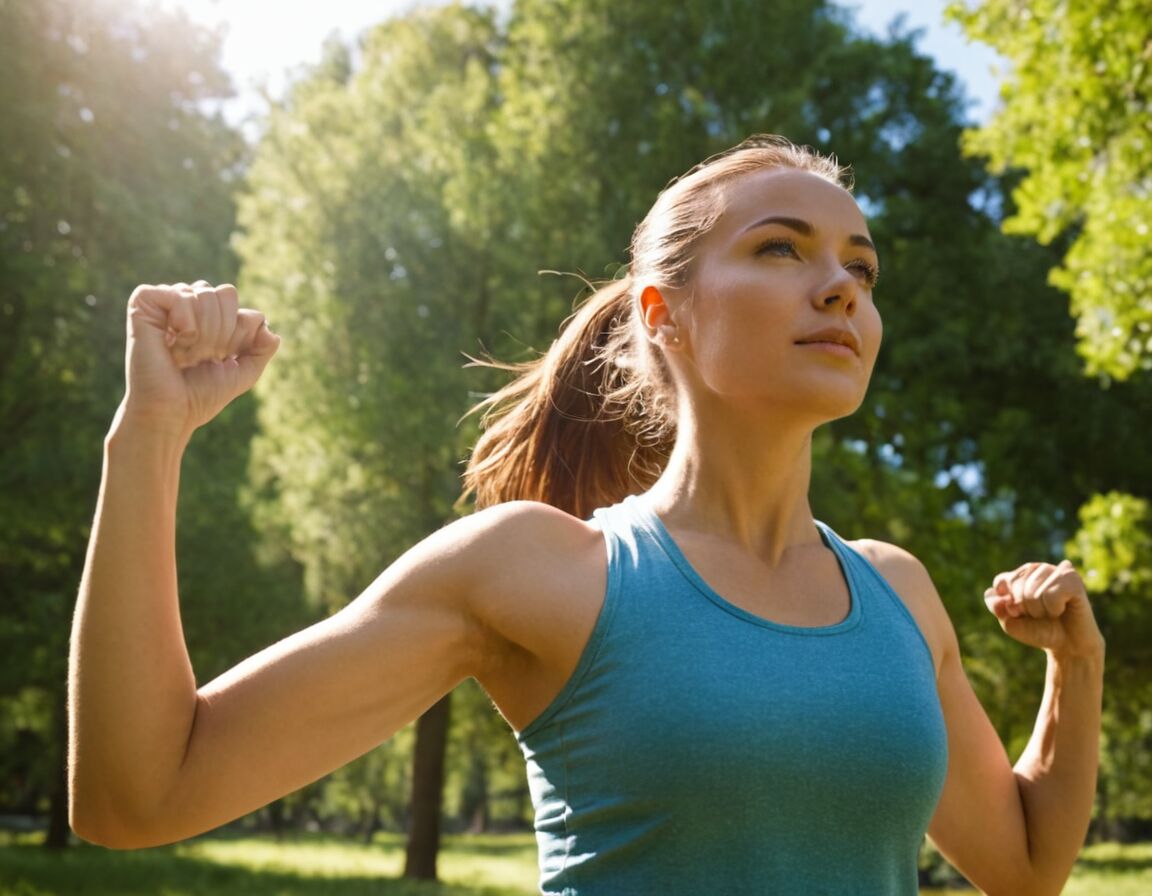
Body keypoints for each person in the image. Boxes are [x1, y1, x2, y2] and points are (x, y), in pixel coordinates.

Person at [69, 135, 1104, 895]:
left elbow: (1022, 862)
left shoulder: (900, 592)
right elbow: (138, 790)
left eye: (861, 265)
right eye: (784, 250)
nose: (840, 287)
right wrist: (149, 435)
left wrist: (1076, 666)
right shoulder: (543, 572)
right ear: (668, 316)